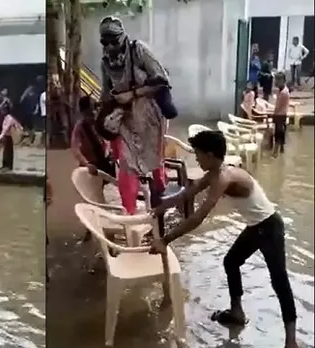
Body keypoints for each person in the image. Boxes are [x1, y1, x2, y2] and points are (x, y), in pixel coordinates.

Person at [149, 130, 298, 348]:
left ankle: (291, 342)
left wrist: (166, 239)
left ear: (210, 155)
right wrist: (163, 205)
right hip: (256, 226)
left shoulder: (223, 177)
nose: (196, 159)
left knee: (279, 281)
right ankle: (237, 313)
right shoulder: (215, 172)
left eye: (198, 154)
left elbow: (198, 217)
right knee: (231, 261)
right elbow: (187, 193)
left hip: (269, 227)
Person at [97, 16, 168, 215]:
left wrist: (134, 93)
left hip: (150, 116)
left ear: (123, 37)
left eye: (114, 40)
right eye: (105, 42)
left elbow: (162, 80)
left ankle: (160, 200)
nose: (110, 46)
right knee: (128, 166)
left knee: (154, 161)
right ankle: (130, 212)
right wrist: (104, 114)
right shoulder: (105, 63)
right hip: (127, 119)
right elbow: (105, 93)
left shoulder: (139, 51)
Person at [71, 96, 115, 178]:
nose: (95, 109)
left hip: (105, 162)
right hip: (91, 167)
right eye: (93, 106)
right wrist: (87, 164)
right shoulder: (80, 127)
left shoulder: (99, 123)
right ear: (86, 109)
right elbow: (75, 149)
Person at [0, 104, 22, 171]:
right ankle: (5, 165)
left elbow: (5, 129)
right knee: (5, 152)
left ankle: (8, 166)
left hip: (9, 137)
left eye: (3, 110)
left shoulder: (9, 118)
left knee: (8, 152)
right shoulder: (6, 118)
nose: (1, 111)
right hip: (6, 136)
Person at [271, 72, 290, 157]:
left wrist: (273, 114)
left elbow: (278, 106)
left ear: (284, 81)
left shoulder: (283, 93)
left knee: (278, 133)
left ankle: (275, 151)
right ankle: (281, 148)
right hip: (283, 113)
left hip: (279, 115)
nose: (276, 81)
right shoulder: (282, 90)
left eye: (279, 79)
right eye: (276, 79)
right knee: (281, 131)